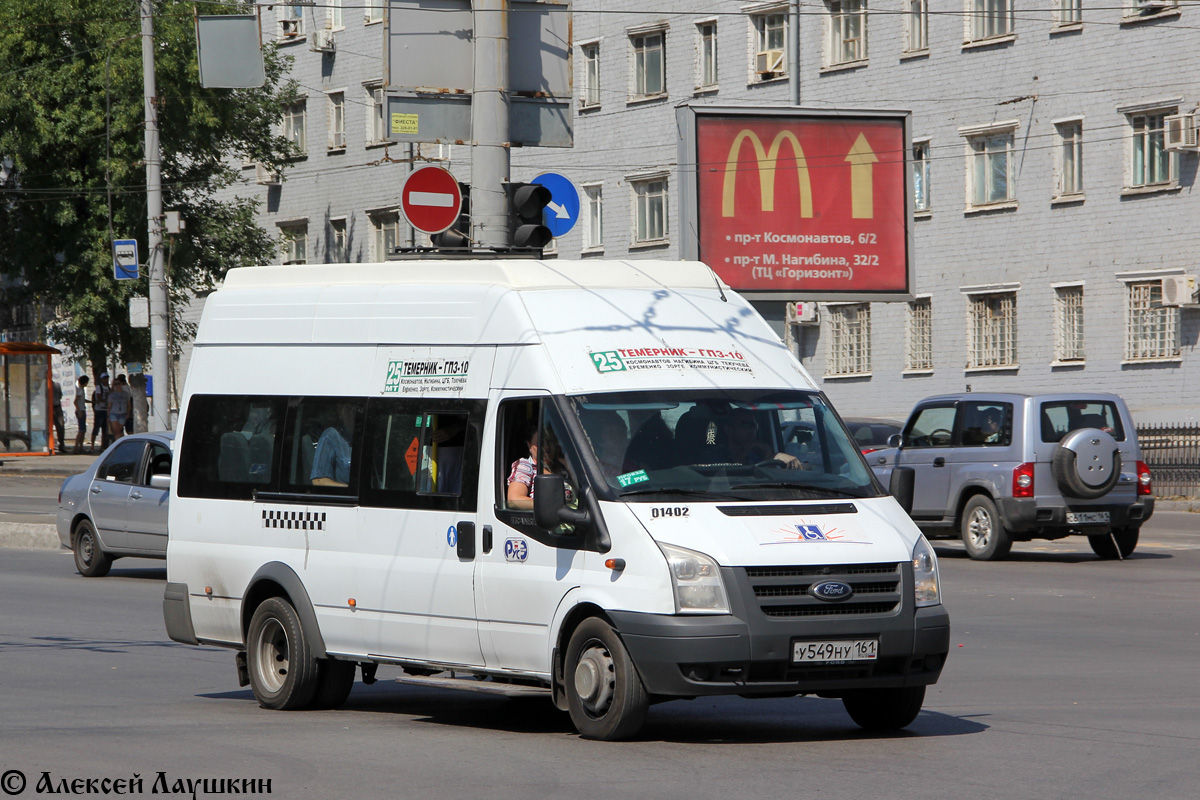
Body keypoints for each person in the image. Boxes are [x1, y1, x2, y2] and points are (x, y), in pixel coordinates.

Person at [721, 409, 803, 469]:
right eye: (746, 425)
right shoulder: (714, 457)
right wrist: (742, 456)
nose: (752, 430)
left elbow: (769, 478)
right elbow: (732, 477)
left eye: (754, 426)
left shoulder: (756, 454)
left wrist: (770, 453)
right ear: (729, 430)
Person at [310, 405, 355, 487]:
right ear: (341, 410)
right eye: (351, 408)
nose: (354, 412)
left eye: (359, 409)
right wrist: (350, 489)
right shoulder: (332, 436)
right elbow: (318, 480)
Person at [582, 410, 628, 478]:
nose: (616, 437)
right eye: (610, 433)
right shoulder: (590, 461)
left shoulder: (636, 460)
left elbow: (643, 480)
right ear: (601, 437)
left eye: (620, 432)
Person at [505, 425, 538, 510]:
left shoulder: (564, 465)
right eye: (539, 442)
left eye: (549, 441)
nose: (546, 446)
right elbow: (514, 499)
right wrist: (549, 508)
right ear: (529, 445)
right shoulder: (525, 466)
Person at [107, 374, 131, 443]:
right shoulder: (112, 395)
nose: (117, 385)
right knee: (116, 431)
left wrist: (128, 414)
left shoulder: (126, 394)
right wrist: (108, 416)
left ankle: (120, 442)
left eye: (118, 384)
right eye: (115, 384)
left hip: (123, 413)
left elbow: (129, 405)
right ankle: (118, 444)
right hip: (114, 413)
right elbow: (109, 406)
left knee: (120, 430)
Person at [90, 373, 110, 452]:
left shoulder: (108, 388)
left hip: (106, 410)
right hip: (99, 410)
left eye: (107, 378)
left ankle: (102, 446)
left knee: (105, 430)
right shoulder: (99, 387)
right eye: (104, 378)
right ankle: (92, 446)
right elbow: (99, 397)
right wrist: (107, 401)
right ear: (102, 379)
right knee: (96, 428)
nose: (106, 380)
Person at [73, 375, 89, 454]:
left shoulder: (81, 390)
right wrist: (79, 411)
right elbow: (75, 401)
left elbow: (82, 400)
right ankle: (76, 447)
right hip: (81, 410)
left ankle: (81, 447)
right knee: (81, 430)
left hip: (82, 409)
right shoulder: (80, 390)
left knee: (83, 430)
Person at [51, 381, 65, 454]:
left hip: (57, 407)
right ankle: (50, 445)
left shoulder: (57, 385)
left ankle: (61, 445)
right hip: (48, 407)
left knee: (60, 426)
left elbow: (60, 395)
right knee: (48, 427)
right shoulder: (43, 385)